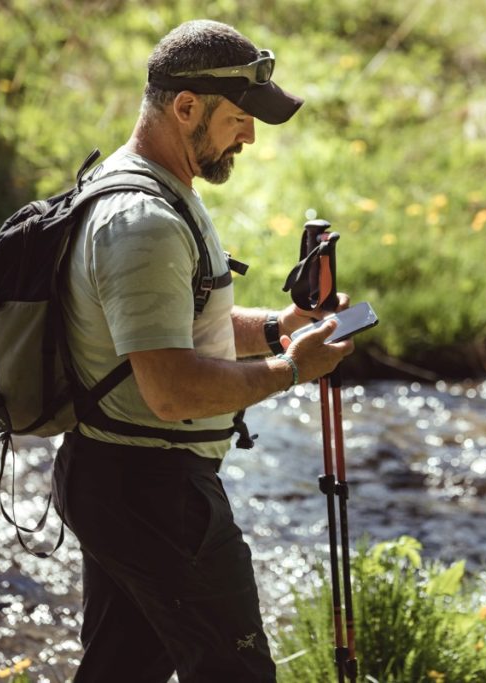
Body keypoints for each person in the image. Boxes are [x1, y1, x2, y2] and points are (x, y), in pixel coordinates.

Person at [51, 19, 353, 682]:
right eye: (240, 118)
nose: (249, 136)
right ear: (186, 106)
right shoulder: (146, 222)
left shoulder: (148, 188)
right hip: (154, 490)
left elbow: (178, 327)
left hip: (115, 476)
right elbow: (172, 388)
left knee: (118, 672)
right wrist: (292, 368)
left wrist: (279, 326)